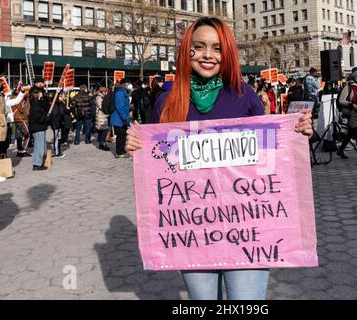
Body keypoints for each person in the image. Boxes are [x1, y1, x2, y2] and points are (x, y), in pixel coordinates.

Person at [124, 16, 313, 300]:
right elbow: (159, 162)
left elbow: (268, 154)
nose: (207, 56)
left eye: (217, 48)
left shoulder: (243, 95)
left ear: (227, 54)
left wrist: (296, 133)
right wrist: (136, 147)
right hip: (194, 229)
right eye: (198, 47)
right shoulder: (166, 101)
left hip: (247, 227)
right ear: (186, 51)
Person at [28, 79, 49, 171]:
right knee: (39, 147)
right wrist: (46, 119)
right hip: (38, 127)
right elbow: (37, 118)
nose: (41, 94)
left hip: (40, 127)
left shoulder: (38, 104)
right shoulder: (35, 106)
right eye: (40, 94)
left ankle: (39, 163)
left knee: (42, 147)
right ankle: (36, 164)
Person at [111, 78, 131, 158]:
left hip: (122, 117)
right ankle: (119, 152)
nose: (128, 86)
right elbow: (119, 107)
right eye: (127, 84)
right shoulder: (120, 93)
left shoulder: (123, 92)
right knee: (120, 136)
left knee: (123, 135)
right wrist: (124, 118)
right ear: (123, 84)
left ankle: (122, 150)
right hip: (119, 118)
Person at [12, 87, 31, 157]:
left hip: (18, 119)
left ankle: (20, 151)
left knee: (19, 136)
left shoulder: (14, 98)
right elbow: (22, 110)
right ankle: (22, 150)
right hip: (21, 119)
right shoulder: (16, 99)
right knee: (27, 135)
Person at [0, 79, 7, 182]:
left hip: (0, 128)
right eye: (0, 84)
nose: (2, 86)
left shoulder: (0, 95)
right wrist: (1, 122)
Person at [50, 91, 65, 158]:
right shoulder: (55, 105)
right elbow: (57, 114)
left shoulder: (59, 104)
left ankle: (58, 151)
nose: (62, 98)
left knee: (58, 138)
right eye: (60, 96)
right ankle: (56, 152)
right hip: (56, 123)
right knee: (57, 138)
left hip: (58, 123)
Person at [94, 86, 110, 151]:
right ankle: (103, 143)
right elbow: (101, 106)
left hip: (102, 116)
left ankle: (101, 143)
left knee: (102, 130)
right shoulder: (99, 98)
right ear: (102, 92)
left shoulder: (101, 97)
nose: (106, 93)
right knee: (104, 130)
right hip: (101, 116)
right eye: (105, 91)